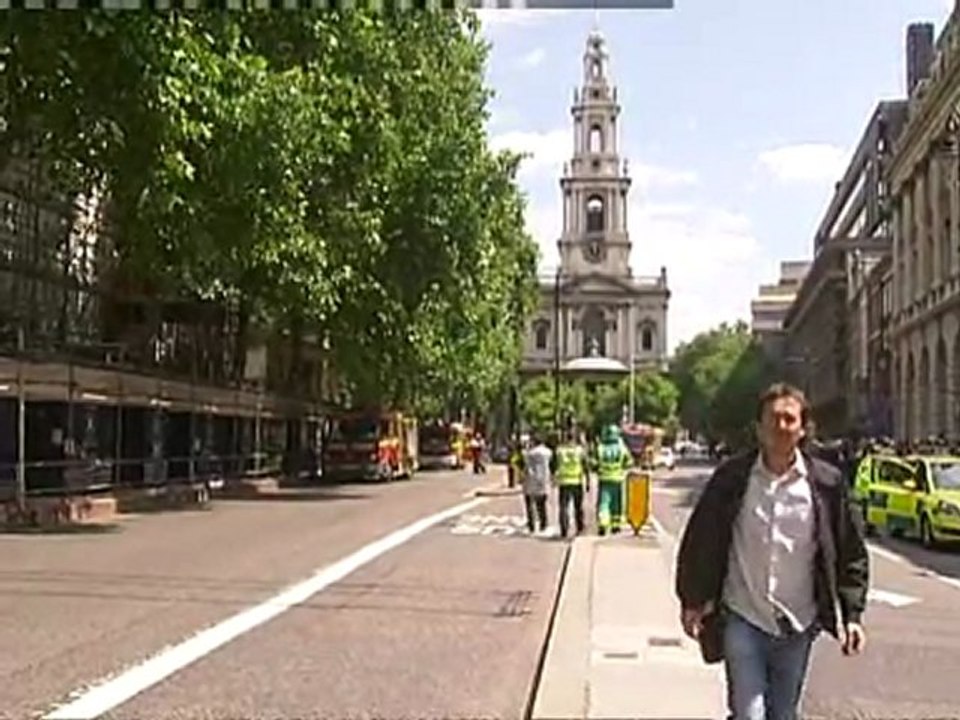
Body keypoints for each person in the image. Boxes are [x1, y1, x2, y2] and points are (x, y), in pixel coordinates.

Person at [675, 382, 868, 720]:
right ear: (759, 427)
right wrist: (692, 599)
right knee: (748, 712)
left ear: (803, 428)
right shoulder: (733, 478)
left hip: (798, 622)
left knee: (783, 713)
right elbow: (701, 539)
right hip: (744, 617)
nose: (781, 426)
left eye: (789, 419)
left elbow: (850, 550)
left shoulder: (827, 484)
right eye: (773, 418)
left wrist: (852, 616)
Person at [594, 424, 632, 535]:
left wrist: (598, 469)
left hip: (604, 479)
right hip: (618, 479)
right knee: (617, 503)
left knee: (604, 503)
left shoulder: (600, 448)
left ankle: (603, 524)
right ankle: (616, 526)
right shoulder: (622, 448)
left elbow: (594, 463)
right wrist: (622, 468)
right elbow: (629, 462)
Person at [552, 428, 590, 538]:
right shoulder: (580, 450)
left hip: (564, 481)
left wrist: (553, 478)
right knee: (578, 507)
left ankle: (564, 529)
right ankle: (580, 528)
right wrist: (587, 481)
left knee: (563, 507)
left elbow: (553, 465)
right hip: (577, 481)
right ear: (575, 438)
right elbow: (585, 466)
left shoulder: (560, 450)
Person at [521, 432, 552, 535]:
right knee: (542, 503)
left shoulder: (529, 454)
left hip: (531, 480)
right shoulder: (548, 452)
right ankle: (543, 523)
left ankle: (531, 525)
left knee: (530, 503)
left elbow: (526, 466)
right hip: (544, 479)